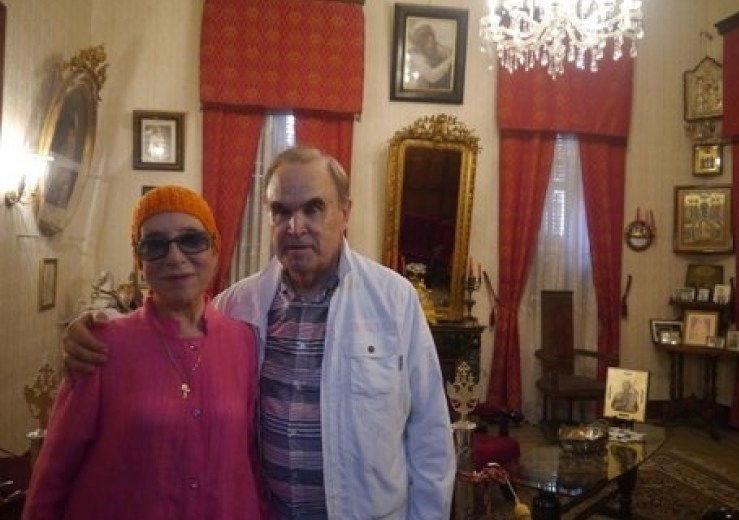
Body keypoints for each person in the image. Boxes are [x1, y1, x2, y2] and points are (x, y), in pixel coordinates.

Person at [62, 146, 456, 518]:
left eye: (313, 209)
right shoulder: (239, 304)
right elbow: (174, 328)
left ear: (345, 212)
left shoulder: (393, 300)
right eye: (281, 211)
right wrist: (102, 323)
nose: (295, 227)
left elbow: (430, 434)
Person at [28, 186, 264, 519]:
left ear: (214, 250)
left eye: (192, 240)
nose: (175, 258)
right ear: (140, 262)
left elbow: (249, 458)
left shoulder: (243, 341)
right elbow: (54, 473)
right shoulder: (101, 345)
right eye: (154, 245)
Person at [404, 23, 454, 90]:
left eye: (431, 41)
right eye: (426, 42)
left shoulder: (435, 48)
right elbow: (432, 76)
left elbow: (446, 52)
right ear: (419, 43)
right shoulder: (414, 56)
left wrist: (450, 55)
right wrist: (450, 59)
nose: (430, 45)